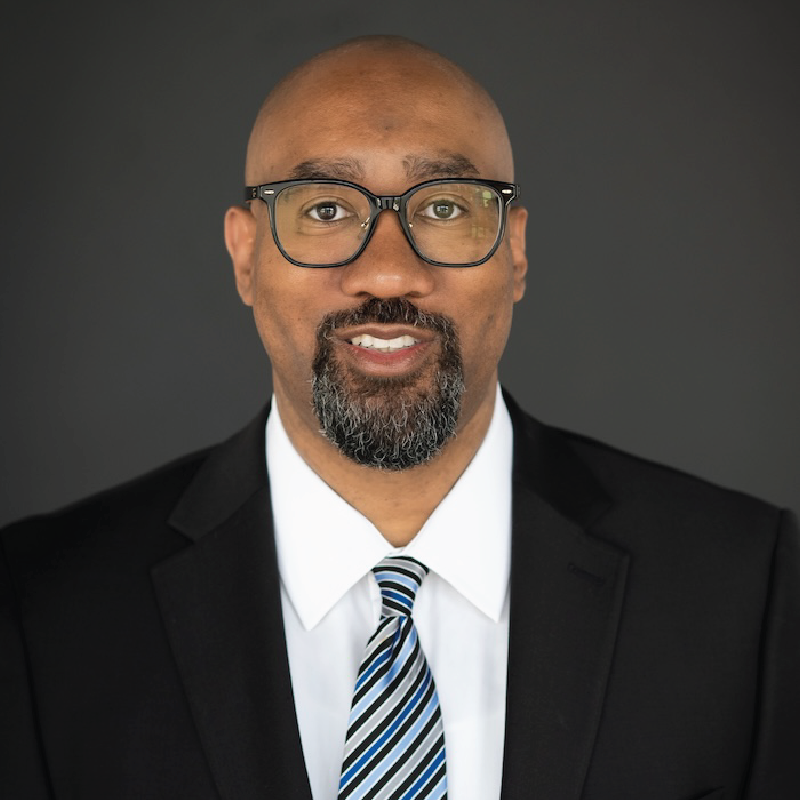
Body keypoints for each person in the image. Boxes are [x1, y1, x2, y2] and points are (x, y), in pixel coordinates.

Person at [1, 35, 798, 800]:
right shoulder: (42, 611)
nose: (387, 271)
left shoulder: (748, 590)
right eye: (324, 209)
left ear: (516, 251)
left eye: (445, 207)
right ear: (245, 256)